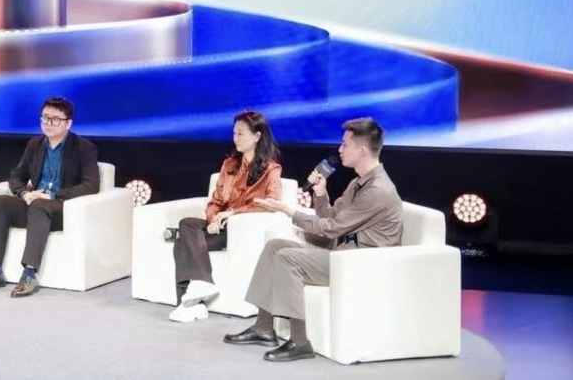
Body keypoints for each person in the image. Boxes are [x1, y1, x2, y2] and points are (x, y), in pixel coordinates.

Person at [223, 117, 403, 362]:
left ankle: (300, 342)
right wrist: (321, 194)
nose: (340, 149)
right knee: (275, 246)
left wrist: (290, 212)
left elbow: (331, 229)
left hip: (361, 263)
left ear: (362, 151)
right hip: (344, 255)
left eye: (345, 144)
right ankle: (263, 328)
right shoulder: (357, 183)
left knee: (287, 258)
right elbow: (330, 218)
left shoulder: (378, 190)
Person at [0, 96, 99, 297]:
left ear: (68, 123)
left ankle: (30, 275)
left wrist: (53, 195)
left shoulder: (83, 147)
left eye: (55, 119)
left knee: (40, 204)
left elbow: (91, 185)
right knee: (0, 202)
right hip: (35, 206)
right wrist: (25, 193)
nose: (48, 123)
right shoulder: (35, 144)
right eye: (45, 118)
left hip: (62, 208)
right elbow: (16, 176)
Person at [168, 110, 282, 323]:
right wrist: (213, 219)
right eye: (234, 133)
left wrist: (233, 213)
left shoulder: (271, 169)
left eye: (241, 134)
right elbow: (215, 201)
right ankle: (201, 289)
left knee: (181, 242)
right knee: (187, 225)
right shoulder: (229, 165)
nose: (235, 138)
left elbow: (271, 203)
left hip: (240, 230)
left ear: (257, 136)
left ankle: (189, 304)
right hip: (219, 226)